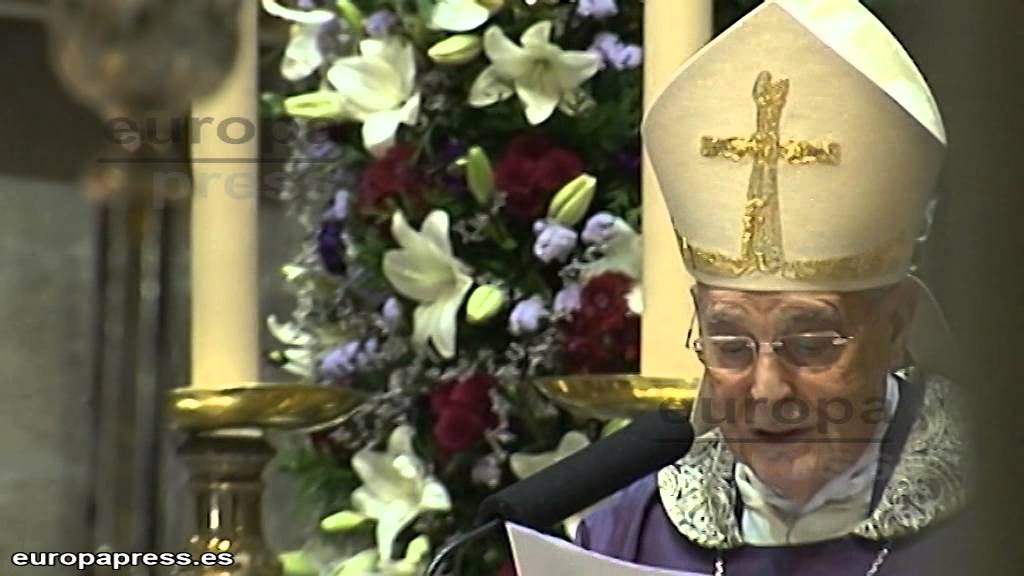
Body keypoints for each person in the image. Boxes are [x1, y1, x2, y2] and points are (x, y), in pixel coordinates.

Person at [575, 1, 969, 575]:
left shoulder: (994, 527)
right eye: (730, 346)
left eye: (810, 343)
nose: (766, 392)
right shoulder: (626, 535)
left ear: (896, 327)